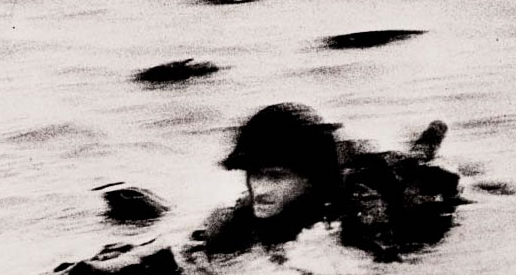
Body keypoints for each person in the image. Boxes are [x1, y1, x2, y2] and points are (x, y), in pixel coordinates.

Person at [190, 103, 462, 264]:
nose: (259, 189)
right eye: (254, 174)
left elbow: (388, 267)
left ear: (312, 178)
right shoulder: (251, 207)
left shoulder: (362, 206)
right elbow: (209, 250)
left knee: (416, 164)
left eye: (275, 176)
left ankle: (431, 138)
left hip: (397, 181)